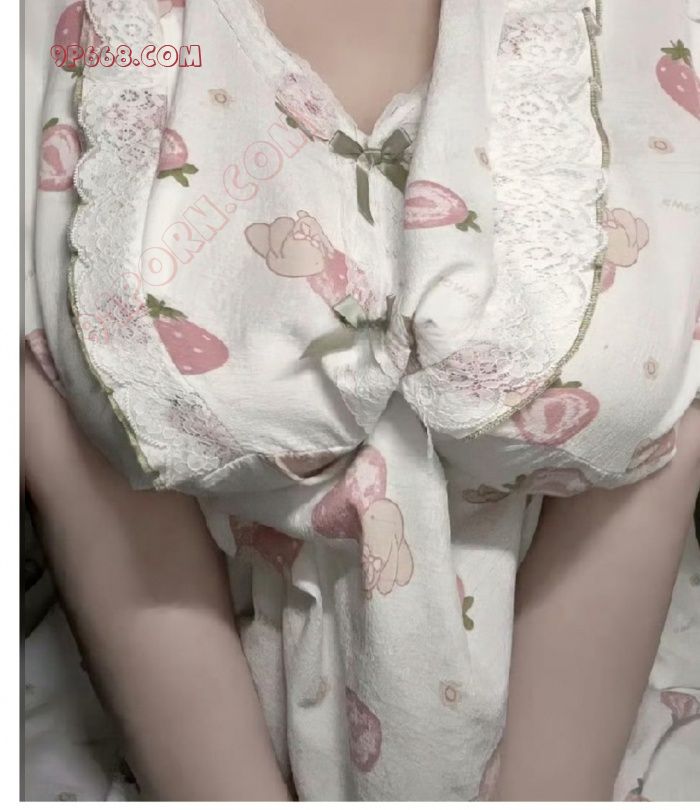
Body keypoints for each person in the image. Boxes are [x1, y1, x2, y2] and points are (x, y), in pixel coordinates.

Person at [23, 0, 700, 801]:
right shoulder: (95, 36)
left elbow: (664, 434)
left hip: (618, 733)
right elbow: (73, 444)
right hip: (173, 739)